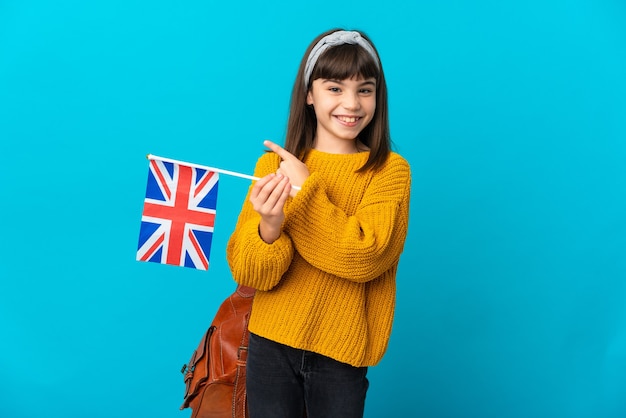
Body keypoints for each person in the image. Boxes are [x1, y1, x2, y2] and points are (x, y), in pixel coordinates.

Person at [226, 28, 411, 418]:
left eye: (365, 89)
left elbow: (363, 258)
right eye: (334, 88)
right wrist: (270, 228)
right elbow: (249, 272)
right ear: (309, 94)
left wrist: (306, 191)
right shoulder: (271, 167)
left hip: (341, 355)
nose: (352, 103)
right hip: (269, 344)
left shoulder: (389, 172)